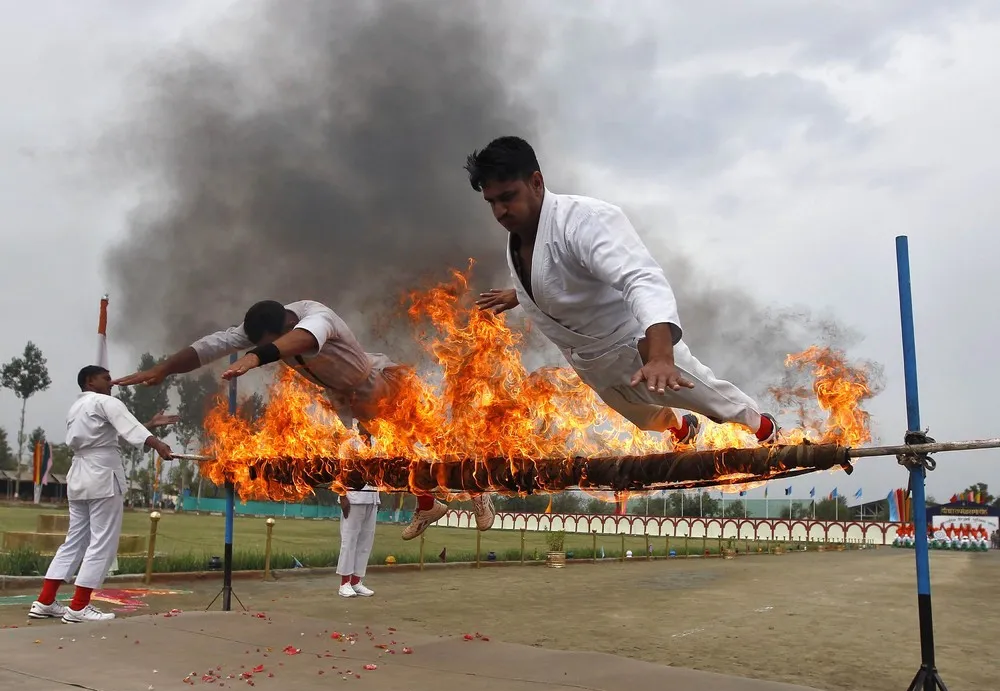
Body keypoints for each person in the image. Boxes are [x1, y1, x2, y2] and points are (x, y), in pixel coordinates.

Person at [467, 136, 779, 446]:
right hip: (590, 362)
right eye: (492, 202)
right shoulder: (520, 237)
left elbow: (640, 278)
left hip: (637, 347)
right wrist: (520, 293)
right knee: (645, 417)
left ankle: (767, 430)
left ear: (536, 182)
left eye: (508, 197)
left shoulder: (585, 220)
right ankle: (683, 429)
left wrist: (659, 355)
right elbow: (553, 275)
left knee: (716, 401)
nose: (500, 211)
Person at [111, 299, 495, 540]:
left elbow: (298, 341)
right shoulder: (266, 329)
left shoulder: (317, 317)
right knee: (399, 458)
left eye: (266, 343)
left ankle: (478, 491)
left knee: (425, 440)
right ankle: (427, 505)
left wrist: (255, 358)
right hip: (349, 400)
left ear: (282, 325)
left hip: (379, 384)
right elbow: (213, 345)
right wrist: (165, 368)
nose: (259, 347)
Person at [28, 366, 175, 623]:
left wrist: (148, 425)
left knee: (75, 541)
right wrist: (157, 443)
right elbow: (129, 431)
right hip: (102, 476)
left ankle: (45, 601)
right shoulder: (105, 401)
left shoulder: (77, 408)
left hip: (79, 476)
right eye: (106, 378)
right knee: (102, 541)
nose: (112, 382)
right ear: (89, 380)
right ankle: (79, 606)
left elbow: (110, 435)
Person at [336, 488, 379, 598]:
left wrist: (378, 498)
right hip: (353, 497)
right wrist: (342, 496)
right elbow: (340, 473)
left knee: (366, 542)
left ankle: (356, 582)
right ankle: (344, 583)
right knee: (349, 541)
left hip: (372, 497)